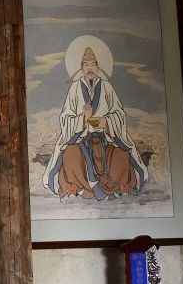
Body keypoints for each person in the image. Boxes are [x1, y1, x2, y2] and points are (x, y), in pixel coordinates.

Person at [42, 45, 148, 200]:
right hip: (81, 139)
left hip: (106, 139)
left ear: (98, 67)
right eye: (86, 65)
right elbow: (65, 118)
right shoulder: (75, 88)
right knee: (70, 153)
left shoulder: (107, 87)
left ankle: (117, 186)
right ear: (81, 67)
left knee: (121, 154)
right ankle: (78, 188)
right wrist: (82, 119)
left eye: (93, 64)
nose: (90, 68)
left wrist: (107, 122)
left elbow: (119, 113)